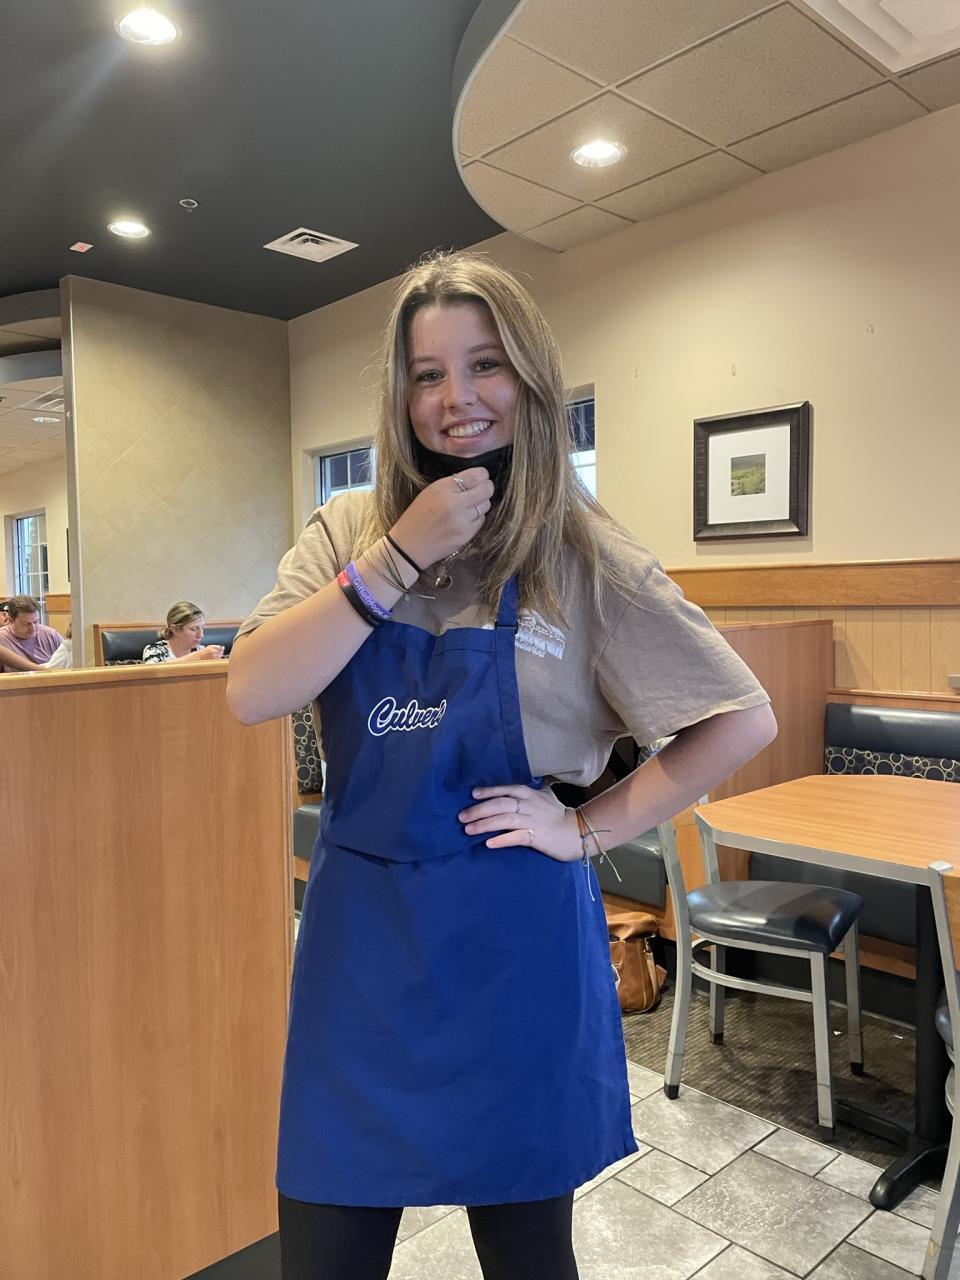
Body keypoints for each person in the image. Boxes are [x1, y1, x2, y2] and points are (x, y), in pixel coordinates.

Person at [227, 250, 777, 1280]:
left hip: (514, 949)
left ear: (530, 376)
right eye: (427, 374)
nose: (457, 398)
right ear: (400, 395)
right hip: (363, 956)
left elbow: (742, 718)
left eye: (485, 365)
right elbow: (251, 688)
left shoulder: (582, 551)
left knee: (529, 1257)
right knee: (325, 1251)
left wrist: (584, 827)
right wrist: (398, 553)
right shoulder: (349, 528)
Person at [142, 602, 225, 663]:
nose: (201, 635)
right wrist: (199, 656)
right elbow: (154, 672)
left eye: (202, 628)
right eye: (194, 629)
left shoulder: (201, 650)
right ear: (175, 630)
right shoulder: (154, 650)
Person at [0, 596, 64, 672]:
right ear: (11, 620)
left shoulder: (51, 635)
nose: (33, 629)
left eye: (36, 622)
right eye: (27, 624)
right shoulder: (2, 638)